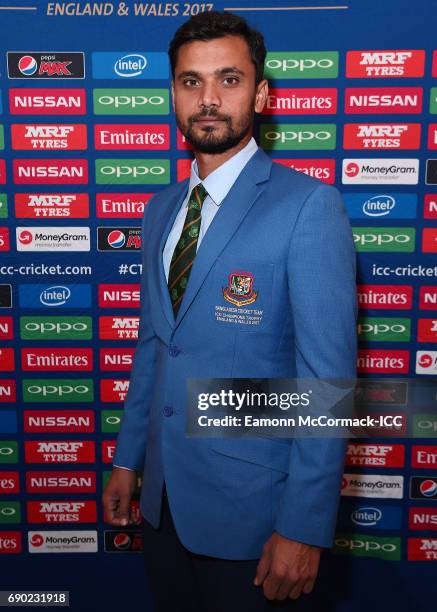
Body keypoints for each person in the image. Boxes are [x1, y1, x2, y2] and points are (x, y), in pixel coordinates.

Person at [102, 10, 357, 611]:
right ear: (173, 93)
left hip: (255, 517)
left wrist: (302, 525)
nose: (209, 99)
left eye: (229, 79)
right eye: (192, 82)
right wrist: (127, 458)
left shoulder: (309, 207)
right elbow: (155, 348)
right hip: (162, 505)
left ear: (261, 93)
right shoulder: (161, 210)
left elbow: (326, 384)